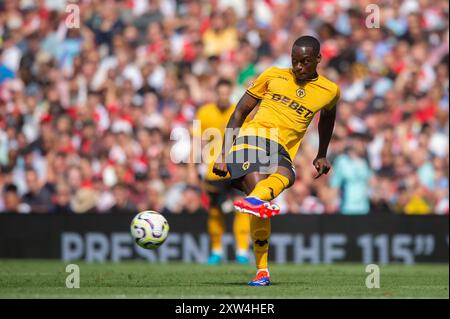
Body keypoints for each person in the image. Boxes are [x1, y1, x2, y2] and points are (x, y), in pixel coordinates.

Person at [213, 36, 340, 286]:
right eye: (295, 62)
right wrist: (223, 154)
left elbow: (327, 119)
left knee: (281, 183)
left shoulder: (329, 91)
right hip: (251, 139)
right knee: (268, 192)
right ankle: (261, 262)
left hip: (281, 148)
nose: (299, 67)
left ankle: (261, 270)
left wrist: (322, 153)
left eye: (305, 62)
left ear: (318, 59)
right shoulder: (272, 75)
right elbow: (240, 111)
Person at [195, 79, 251, 265]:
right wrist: (196, 166)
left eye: (227, 93)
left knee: (241, 208)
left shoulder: (240, 111)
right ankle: (216, 250)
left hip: (235, 168)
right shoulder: (204, 112)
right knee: (215, 210)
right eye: (220, 93)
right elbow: (198, 142)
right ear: (216, 93)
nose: (223, 96)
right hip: (213, 170)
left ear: (230, 93)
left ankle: (242, 251)